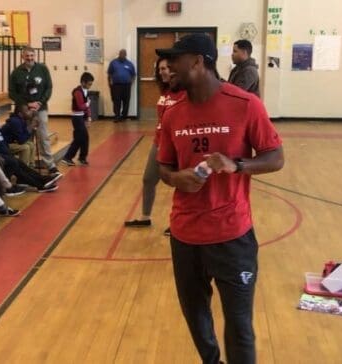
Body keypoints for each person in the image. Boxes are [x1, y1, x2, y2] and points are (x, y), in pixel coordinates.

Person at [155, 34, 284, 364]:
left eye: (176, 59)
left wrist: (237, 164)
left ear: (198, 61)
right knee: (197, 321)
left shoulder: (244, 104)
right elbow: (164, 168)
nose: (167, 66)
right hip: (185, 237)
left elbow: (275, 157)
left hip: (232, 236)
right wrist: (175, 178)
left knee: (239, 326)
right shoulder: (172, 115)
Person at [124, 57, 183, 235]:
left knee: (182, 183)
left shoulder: (186, 92)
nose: (162, 72)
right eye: (160, 69)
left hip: (178, 144)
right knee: (149, 179)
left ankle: (180, 224)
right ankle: (145, 217)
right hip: (159, 141)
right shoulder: (165, 91)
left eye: (165, 68)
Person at [8, 47, 59, 176]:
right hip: (23, 110)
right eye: (27, 56)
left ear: (34, 56)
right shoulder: (16, 72)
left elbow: (49, 87)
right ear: (22, 56)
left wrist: (40, 102)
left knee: (43, 136)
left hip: (40, 108)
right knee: (26, 136)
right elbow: (12, 92)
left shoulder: (42, 69)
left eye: (32, 56)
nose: (29, 58)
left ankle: (50, 164)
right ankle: (29, 166)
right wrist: (26, 104)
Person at [61, 72, 94, 166]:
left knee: (84, 138)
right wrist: (88, 104)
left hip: (81, 117)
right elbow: (80, 106)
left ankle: (82, 157)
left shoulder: (85, 91)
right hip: (77, 118)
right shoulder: (77, 92)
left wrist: (89, 117)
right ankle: (67, 157)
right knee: (79, 138)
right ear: (83, 82)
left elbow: (86, 107)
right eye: (89, 84)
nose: (90, 86)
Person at [107, 49, 136, 122]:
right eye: (121, 54)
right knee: (117, 101)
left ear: (125, 55)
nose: (122, 55)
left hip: (127, 86)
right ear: (119, 54)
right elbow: (109, 74)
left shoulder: (129, 64)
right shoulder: (113, 63)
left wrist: (130, 82)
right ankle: (117, 116)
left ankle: (124, 117)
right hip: (116, 86)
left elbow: (133, 75)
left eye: (123, 54)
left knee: (126, 101)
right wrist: (110, 83)